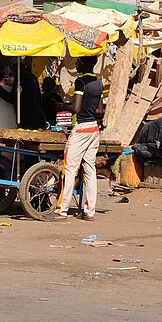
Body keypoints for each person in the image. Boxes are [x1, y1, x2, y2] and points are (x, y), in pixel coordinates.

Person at [54, 56, 104, 220]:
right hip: (93, 129)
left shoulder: (81, 82)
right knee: (90, 170)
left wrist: (61, 106)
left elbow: (75, 108)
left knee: (69, 168)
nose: (76, 64)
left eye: (79, 61)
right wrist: (87, 107)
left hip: (81, 128)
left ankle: (62, 210)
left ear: (86, 64)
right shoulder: (98, 83)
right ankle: (89, 211)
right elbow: (100, 111)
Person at [0, 60, 45, 130]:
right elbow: (38, 99)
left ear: (13, 68)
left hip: (28, 120)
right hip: (38, 117)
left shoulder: (20, 77)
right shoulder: (32, 76)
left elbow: (11, 98)